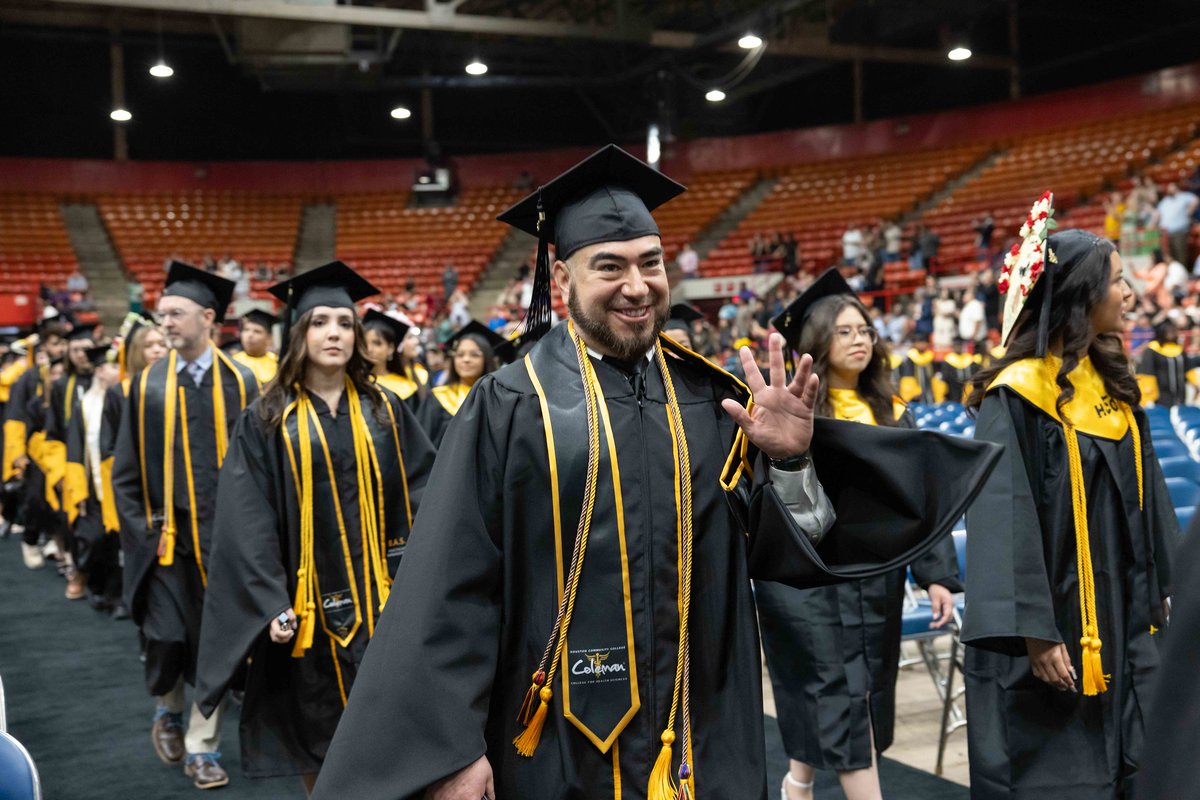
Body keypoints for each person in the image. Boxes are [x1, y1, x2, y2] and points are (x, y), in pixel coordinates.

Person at [310, 144, 999, 800]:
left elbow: (786, 553)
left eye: (651, 263)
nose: (637, 287)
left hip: (699, 733)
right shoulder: (511, 407)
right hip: (551, 743)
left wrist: (790, 463)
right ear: (561, 279)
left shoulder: (710, 401)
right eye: (609, 267)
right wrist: (454, 748)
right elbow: (449, 591)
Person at [961, 194, 1175, 799]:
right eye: (1118, 281)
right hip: (1055, 623)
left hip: (1127, 617)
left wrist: (1172, 587)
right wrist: (1034, 629)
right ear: (1082, 296)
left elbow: (1150, 500)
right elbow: (1002, 516)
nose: (1130, 294)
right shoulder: (1016, 394)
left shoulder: (1111, 387)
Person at [194, 262, 437, 793]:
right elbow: (246, 520)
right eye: (321, 321)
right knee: (319, 738)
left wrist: (422, 580)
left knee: (396, 737)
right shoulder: (265, 418)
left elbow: (424, 494)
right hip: (307, 618)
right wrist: (269, 600)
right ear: (299, 333)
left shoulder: (385, 410)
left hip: (385, 606)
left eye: (345, 323)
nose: (335, 333)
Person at [763, 269, 962, 800]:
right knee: (836, 688)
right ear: (818, 342)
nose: (859, 340)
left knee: (860, 690)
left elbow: (920, 500)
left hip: (875, 581)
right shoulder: (797, 412)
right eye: (845, 331)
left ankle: (797, 782)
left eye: (865, 330)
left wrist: (937, 576)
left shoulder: (892, 412)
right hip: (811, 582)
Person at [111, 262, 259, 790]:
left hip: (225, 548)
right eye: (161, 314)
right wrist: (142, 536)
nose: (164, 322)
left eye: (175, 313)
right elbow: (124, 471)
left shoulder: (243, 382)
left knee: (214, 649)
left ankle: (202, 746)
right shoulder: (146, 386)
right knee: (168, 638)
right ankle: (167, 708)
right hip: (167, 546)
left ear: (208, 317)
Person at [62, 344, 123, 613]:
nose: (118, 371)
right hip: (95, 488)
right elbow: (75, 449)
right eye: (112, 366)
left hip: (121, 485)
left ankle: (117, 595)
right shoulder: (85, 404)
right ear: (99, 371)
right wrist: (79, 491)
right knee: (97, 538)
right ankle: (93, 583)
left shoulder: (123, 397)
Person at [4, 321, 68, 570]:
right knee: (37, 499)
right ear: (44, 346)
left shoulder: (65, 375)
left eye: (63, 343)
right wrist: (16, 454)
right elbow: (16, 418)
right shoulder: (28, 378)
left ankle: (56, 542)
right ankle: (31, 538)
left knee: (62, 501)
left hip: (63, 445)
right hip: (37, 448)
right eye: (55, 343)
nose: (60, 348)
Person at [45, 323, 98, 601]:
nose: (80, 355)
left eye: (85, 349)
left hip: (101, 463)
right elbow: (52, 432)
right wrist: (59, 470)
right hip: (73, 462)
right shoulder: (62, 386)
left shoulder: (103, 382)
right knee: (75, 523)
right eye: (75, 349)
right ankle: (79, 571)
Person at [416, 320, 502, 448]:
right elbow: (421, 448)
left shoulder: (498, 400)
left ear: (487, 359)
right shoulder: (438, 398)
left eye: (474, 355)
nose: (466, 360)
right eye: (460, 355)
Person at [362, 309, 426, 410]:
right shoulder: (354, 382)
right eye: (364, 343)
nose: (369, 349)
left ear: (391, 348)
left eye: (377, 343)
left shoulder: (405, 388)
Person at [1136, 319, 1197, 408]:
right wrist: (1148, 398)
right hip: (1160, 397)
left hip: (1180, 396)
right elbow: (1146, 374)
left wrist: (1197, 383)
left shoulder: (1179, 350)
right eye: (1169, 330)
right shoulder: (1152, 350)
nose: (1172, 332)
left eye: (1174, 330)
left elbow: (1188, 369)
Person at [232, 309, 279, 388]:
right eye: (246, 330)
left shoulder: (277, 362)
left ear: (269, 338)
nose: (250, 335)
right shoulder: (232, 362)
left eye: (257, 331)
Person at [1155, 182, 1198, 266]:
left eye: (1171, 187)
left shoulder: (1184, 196)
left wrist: (1189, 211)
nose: (1169, 189)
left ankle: (1183, 272)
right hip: (1165, 233)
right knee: (1169, 256)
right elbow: (1157, 213)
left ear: (1176, 187)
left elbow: (1195, 199)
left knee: (1180, 254)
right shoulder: (1165, 201)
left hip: (1179, 231)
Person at [897, 333, 937, 404]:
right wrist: (914, 392)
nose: (921, 345)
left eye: (923, 342)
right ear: (914, 344)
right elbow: (907, 378)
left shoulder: (930, 357)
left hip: (929, 391)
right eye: (919, 342)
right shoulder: (909, 359)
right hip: (915, 395)